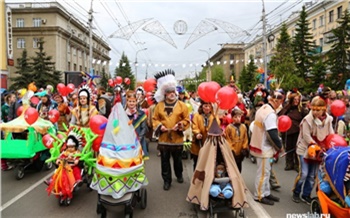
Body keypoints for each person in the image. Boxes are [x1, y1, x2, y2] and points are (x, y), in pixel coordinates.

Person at [292, 96, 334, 205]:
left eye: (317, 110)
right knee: (304, 174)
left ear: (323, 109)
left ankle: (306, 195)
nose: (315, 112)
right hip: (305, 149)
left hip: (318, 150)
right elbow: (306, 136)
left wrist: (333, 143)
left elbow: (331, 133)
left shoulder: (328, 120)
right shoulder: (307, 120)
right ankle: (296, 192)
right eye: (313, 109)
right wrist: (315, 145)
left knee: (313, 175)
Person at [152, 69, 190, 191]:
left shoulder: (182, 106)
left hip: (177, 138)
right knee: (164, 161)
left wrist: (180, 125)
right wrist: (159, 126)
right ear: (165, 94)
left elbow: (187, 120)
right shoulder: (159, 106)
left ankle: (179, 174)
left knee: (178, 160)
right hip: (163, 139)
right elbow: (154, 119)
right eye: (169, 92)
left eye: (173, 91)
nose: (172, 93)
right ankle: (166, 180)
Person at [250, 90, 284, 205]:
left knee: (267, 172)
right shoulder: (270, 114)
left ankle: (266, 192)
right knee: (263, 173)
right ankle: (259, 195)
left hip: (263, 146)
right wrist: (280, 146)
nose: (281, 104)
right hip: (264, 148)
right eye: (280, 101)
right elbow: (272, 133)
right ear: (276, 101)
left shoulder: (264, 108)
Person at [278, 91, 307, 171]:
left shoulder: (301, 110)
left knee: (296, 148)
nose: (296, 101)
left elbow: (305, 119)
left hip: (297, 131)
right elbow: (280, 115)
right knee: (288, 147)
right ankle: (289, 163)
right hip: (287, 131)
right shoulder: (287, 108)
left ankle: (297, 165)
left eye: (298, 100)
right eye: (294, 100)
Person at [191, 100, 217, 170]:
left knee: (208, 163)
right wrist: (197, 133)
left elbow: (217, 126)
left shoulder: (213, 116)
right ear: (202, 106)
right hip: (199, 142)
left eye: (209, 106)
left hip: (210, 142)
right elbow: (194, 126)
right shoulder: (197, 115)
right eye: (206, 106)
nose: (207, 108)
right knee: (197, 162)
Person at [125, 90, 149, 160]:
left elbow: (144, 128)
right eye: (129, 101)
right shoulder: (123, 114)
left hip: (139, 141)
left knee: (139, 163)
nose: (131, 103)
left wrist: (138, 139)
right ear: (127, 102)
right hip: (126, 142)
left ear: (136, 102)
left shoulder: (141, 114)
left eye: (133, 101)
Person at [225, 107, 249, 173]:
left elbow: (245, 138)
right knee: (231, 169)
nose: (238, 119)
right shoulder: (229, 127)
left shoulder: (243, 127)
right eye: (235, 117)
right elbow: (228, 139)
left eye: (239, 117)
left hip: (240, 150)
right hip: (233, 151)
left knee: (239, 169)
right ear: (232, 118)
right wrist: (232, 150)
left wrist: (244, 148)